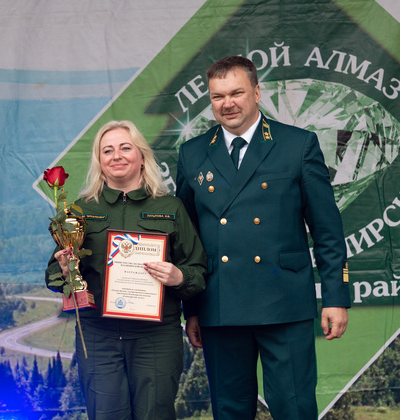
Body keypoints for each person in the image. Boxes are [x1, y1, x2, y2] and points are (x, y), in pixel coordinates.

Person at [176, 55, 351, 419]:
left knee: (295, 407)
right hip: (220, 304)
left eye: (236, 93)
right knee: (230, 410)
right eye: (218, 96)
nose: (227, 103)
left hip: (284, 302)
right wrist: (191, 310)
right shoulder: (192, 154)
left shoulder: (297, 145)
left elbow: (327, 230)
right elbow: (187, 242)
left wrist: (335, 297)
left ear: (256, 93)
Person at [45, 120, 207, 420]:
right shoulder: (80, 210)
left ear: (142, 156)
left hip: (156, 337)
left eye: (125, 148)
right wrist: (65, 270)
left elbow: (197, 270)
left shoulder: (171, 207)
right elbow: (53, 276)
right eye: (107, 150)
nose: (116, 156)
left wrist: (179, 277)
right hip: (99, 336)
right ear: (99, 161)